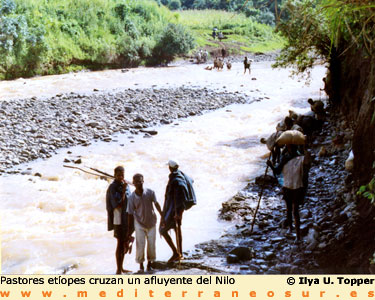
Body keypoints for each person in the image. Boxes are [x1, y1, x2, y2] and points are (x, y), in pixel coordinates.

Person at [267, 145, 310, 241]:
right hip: (287, 186)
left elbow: (307, 166)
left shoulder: (301, 159)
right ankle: (291, 229)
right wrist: (271, 165)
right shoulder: (285, 158)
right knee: (289, 209)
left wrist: (306, 148)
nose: (291, 149)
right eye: (290, 147)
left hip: (297, 187)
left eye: (293, 147)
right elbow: (277, 171)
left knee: (295, 211)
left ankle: (298, 235)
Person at [127, 173, 162, 272]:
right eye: (136, 182)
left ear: (143, 181)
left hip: (152, 223)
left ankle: (149, 264)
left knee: (151, 245)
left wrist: (162, 216)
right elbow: (130, 214)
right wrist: (129, 231)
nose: (139, 183)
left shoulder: (150, 192)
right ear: (133, 183)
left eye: (140, 181)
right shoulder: (131, 197)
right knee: (140, 245)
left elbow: (156, 204)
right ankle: (141, 266)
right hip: (139, 224)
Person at [160, 160, 189, 262]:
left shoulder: (175, 180)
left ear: (170, 168)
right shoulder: (180, 176)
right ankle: (179, 253)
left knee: (162, 230)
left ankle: (176, 253)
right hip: (177, 210)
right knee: (177, 230)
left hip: (173, 210)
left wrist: (178, 213)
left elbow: (178, 197)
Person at [106, 166, 133, 274]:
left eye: (122, 175)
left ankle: (121, 267)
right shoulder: (113, 187)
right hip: (118, 220)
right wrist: (123, 190)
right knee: (120, 243)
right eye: (119, 175)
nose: (121, 177)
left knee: (125, 241)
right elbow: (117, 204)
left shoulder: (125, 185)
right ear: (114, 175)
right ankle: (118, 269)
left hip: (127, 218)